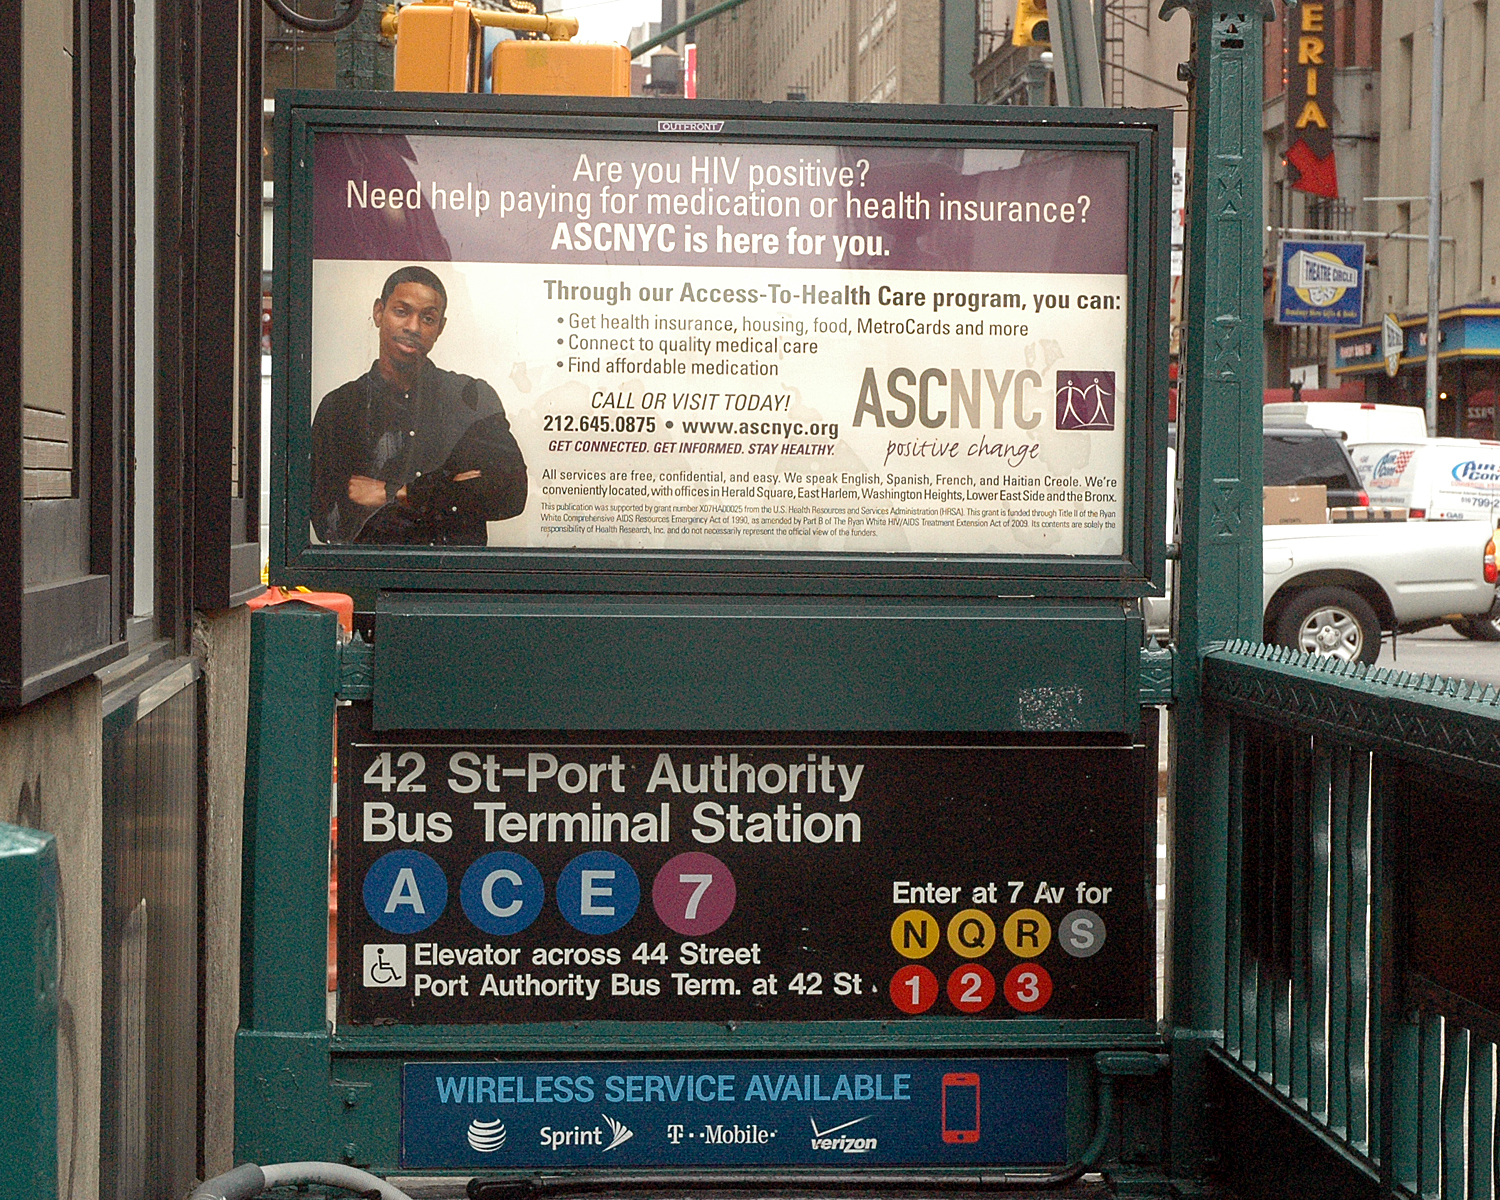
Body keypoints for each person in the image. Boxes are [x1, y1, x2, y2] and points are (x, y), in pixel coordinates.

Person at [311, 266, 527, 545]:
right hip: (371, 580)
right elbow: (329, 522)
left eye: (427, 318)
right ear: (379, 312)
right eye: (401, 311)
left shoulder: (471, 399)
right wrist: (450, 488)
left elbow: (510, 495)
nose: (413, 327)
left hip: (452, 583)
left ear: (440, 328)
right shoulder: (341, 407)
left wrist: (397, 494)